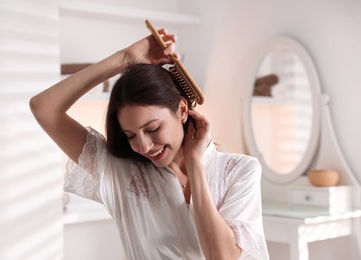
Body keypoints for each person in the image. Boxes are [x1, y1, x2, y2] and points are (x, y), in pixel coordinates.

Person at [30, 27, 270, 260]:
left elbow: (222, 257)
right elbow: (43, 108)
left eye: (152, 129)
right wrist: (125, 58)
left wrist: (195, 165)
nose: (143, 147)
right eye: (130, 135)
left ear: (182, 110)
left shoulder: (240, 171)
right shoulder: (122, 174)